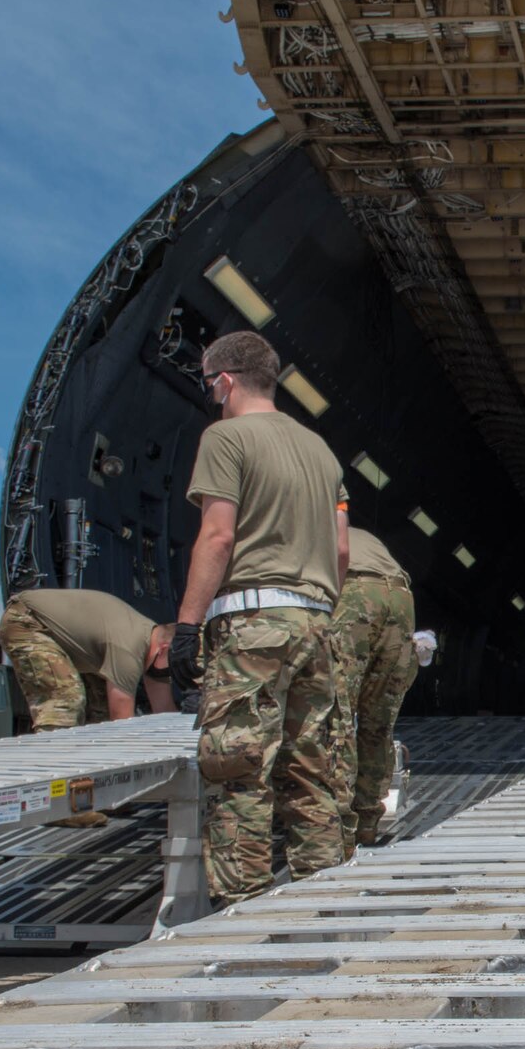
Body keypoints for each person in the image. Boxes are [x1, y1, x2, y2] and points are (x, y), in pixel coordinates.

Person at [170, 331, 349, 904]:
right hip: (317, 621)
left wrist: (186, 628)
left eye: (209, 383)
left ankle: (240, 910)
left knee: (238, 770)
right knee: (312, 771)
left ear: (223, 380)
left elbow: (218, 536)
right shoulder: (321, 451)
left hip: (254, 623)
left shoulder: (226, 437)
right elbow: (342, 552)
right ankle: (323, 898)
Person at [326, 527, 419, 854]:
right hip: (400, 596)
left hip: (355, 591)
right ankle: (367, 821)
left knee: (337, 716)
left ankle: (337, 826)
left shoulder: (308, 525)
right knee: (377, 723)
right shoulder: (364, 535)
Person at [0, 587, 175, 729]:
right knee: (66, 698)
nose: (170, 673)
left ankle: (90, 765)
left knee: (101, 710)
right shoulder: (129, 647)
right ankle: (56, 762)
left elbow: (164, 712)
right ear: (164, 649)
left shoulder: (154, 648)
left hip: (55, 634)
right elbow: (121, 720)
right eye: (173, 667)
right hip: (27, 621)